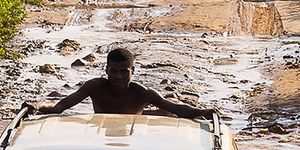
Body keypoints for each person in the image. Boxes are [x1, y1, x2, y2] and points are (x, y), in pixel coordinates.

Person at [27, 48, 212, 119]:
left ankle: (154, 113)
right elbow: (60, 106)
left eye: (124, 71)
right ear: (106, 70)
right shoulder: (95, 87)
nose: (118, 77)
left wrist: (203, 112)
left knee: (168, 109)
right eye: (113, 71)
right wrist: (36, 106)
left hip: (133, 137)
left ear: (133, 72)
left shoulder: (143, 94)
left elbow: (177, 109)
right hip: (101, 134)